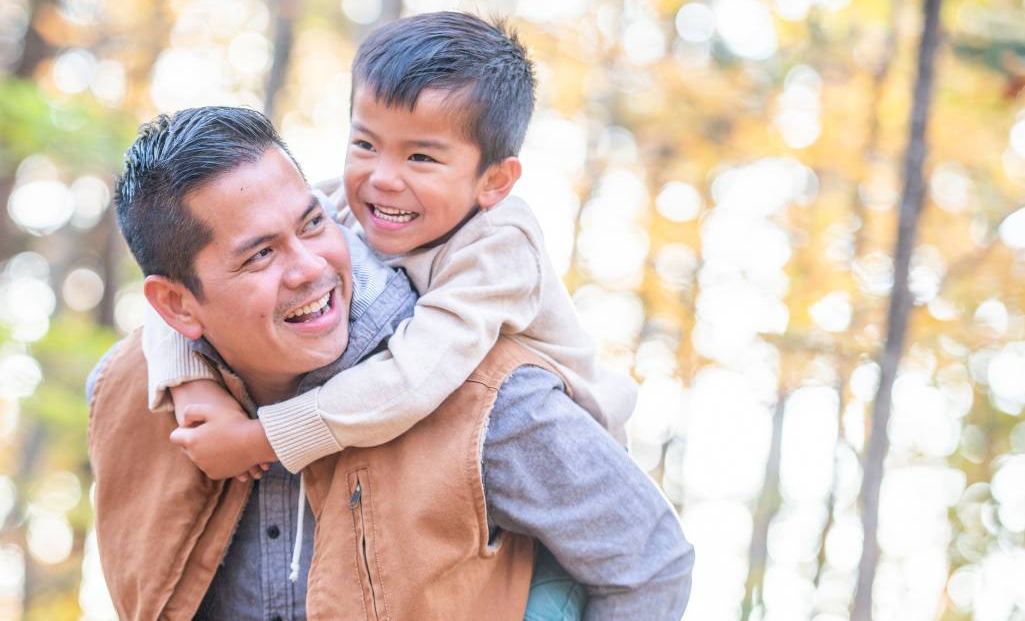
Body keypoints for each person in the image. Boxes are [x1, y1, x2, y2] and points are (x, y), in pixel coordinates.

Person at [87, 106, 694, 620]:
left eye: (312, 223)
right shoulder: (122, 393)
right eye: (260, 255)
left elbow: (649, 562)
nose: (311, 267)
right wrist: (189, 379)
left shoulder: (486, 397)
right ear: (175, 305)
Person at [141, 11, 638, 483]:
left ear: (494, 181)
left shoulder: (499, 248)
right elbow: (186, 278)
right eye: (365, 145)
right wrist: (192, 386)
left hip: (569, 461)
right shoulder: (333, 204)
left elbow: (409, 381)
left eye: (421, 157)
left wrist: (257, 439)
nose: (382, 179)